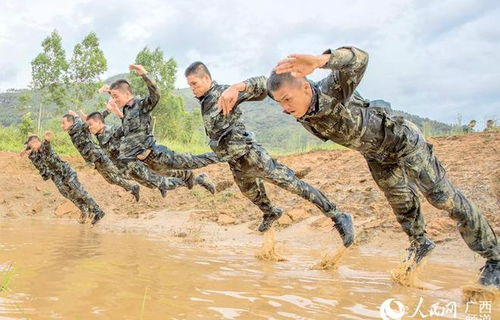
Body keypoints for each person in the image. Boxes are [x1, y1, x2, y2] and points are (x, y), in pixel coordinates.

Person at [219, 46, 499, 287]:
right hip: (376, 155)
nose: (284, 108)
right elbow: (267, 86)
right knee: (403, 207)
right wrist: (238, 87)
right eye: (281, 103)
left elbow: (359, 59)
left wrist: (321, 60)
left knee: (443, 198)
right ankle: (419, 245)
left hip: (403, 142)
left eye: (288, 101)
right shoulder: (293, 99)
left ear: (306, 87)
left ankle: (494, 259)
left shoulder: (332, 90)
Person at [184, 61, 354, 247]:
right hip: (235, 162)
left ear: (206, 78)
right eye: (189, 85)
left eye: (194, 84)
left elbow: (265, 85)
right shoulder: (206, 101)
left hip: (252, 156)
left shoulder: (223, 93)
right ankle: (271, 213)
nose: (192, 89)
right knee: (250, 193)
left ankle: (338, 215)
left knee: (295, 185)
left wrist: (237, 87)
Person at [105, 64, 221, 173]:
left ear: (126, 94)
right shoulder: (127, 110)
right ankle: (192, 177)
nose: (114, 100)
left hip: (158, 154)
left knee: (191, 161)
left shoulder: (140, 105)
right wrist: (116, 109)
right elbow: (130, 129)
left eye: (116, 97)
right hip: (148, 162)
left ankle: (220, 156)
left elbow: (155, 94)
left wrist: (145, 75)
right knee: (168, 177)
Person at [84, 111, 215, 195]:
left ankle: (198, 179)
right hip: (128, 169)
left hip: (137, 163)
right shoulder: (100, 136)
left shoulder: (112, 131)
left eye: (90, 125)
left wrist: (118, 113)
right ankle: (186, 176)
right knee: (160, 178)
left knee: (162, 181)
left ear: (99, 122)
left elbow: (129, 128)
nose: (89, 128)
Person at [22, 132, 105, 225]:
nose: (30, 149)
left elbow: (46, 147)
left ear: (35, 143)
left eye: (30, 146)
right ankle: (85, 210)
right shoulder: (36, 154)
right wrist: (29, 154)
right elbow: (39, 165)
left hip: (66, 172)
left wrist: (46, 140)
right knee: (69, 195)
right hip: (57, 176)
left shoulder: (44, 148)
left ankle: (98, 211)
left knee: (80, 192)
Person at [61, 111, 140, 201]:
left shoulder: (79, 127)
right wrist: (75, 115)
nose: (61, 125)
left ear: (71, 122)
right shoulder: (72, 131)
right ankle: (133, 187)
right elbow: (78, 118)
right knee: (110, 179)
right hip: (94, 160)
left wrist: (108, 111)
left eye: (63, 123)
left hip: (98, 156)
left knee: (118, 172)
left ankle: (143, 174)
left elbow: (96, 120)